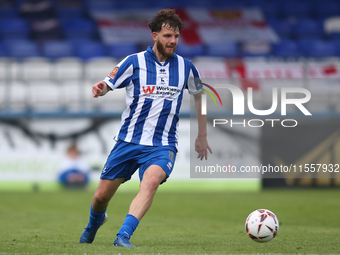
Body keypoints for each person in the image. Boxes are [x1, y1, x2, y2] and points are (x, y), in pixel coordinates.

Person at [79, 8, 212, 247]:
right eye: (167, 36)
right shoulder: (134, 61)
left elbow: (199, 98)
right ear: (154, 35)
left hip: (162, 144)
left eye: (176, 36)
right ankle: (93, 224)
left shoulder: (187, 67)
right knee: (100, 197)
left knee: (150, 182)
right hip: (129, 141)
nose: (173, 41)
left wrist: (202, 135)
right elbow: (109, 82)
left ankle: (123, 235)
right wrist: (102, 88)